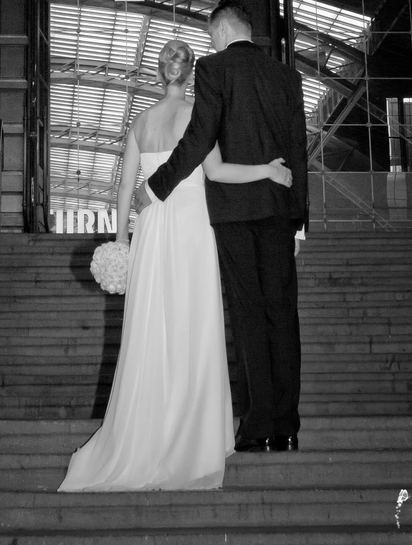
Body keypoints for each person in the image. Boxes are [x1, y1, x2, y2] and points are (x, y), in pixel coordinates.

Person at [58, 39, 293, 493]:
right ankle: (191, 440)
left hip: (151, 232)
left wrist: (123, 241)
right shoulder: (197, 116)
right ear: (190, 74)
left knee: (151, 332)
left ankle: (144, 437)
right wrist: (266, 170)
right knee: (193, 329)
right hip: (191, 230)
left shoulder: (141, 122)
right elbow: (219, 173)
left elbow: (125, 189)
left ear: (161, 72)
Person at [147, 1, 308, 455]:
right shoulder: (286, 76)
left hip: (236, 213)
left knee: (249, 315)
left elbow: (199, 139)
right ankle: (288, 426)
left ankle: (258, 426)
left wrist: (157, 186)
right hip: (279, 210)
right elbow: (299, 149)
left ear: (219, 32)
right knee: (283, 314)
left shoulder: (214, 70)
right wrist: (299, 222)